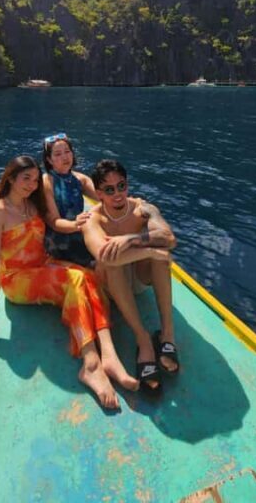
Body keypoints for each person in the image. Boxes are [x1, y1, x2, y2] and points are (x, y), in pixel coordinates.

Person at [0, 155, 140, 408]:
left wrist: (126, 203)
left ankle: (108, 354)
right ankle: (91, 364)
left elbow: (77, 191)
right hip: (18, 279)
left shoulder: (33, 204)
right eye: (26, 178)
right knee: (74, 280)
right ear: (11, 178)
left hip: (43, 265)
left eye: (36, 180)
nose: (32, 184)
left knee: (89, 277)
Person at [82, 159, 179, 396]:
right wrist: (149, 249)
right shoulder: (92, 220)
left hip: (137, 279)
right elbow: (106, 256)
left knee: (159, 256)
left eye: (121, 186)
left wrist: (131, 239)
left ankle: (167, 334)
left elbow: (169, 238)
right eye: (109, 189)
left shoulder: (144, 209)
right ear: (98, 193)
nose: (117, 194)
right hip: (112, 286)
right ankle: (143, 340)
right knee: (116, 261)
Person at [42, 133, 95, 267]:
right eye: (58, 154)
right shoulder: (47, 182)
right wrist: (76, 225)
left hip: (80, 230)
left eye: (67, 151)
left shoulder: (80, 179)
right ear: (49, 159)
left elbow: (104, 196)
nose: (65, 157)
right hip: (60, 239)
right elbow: (54, 222)